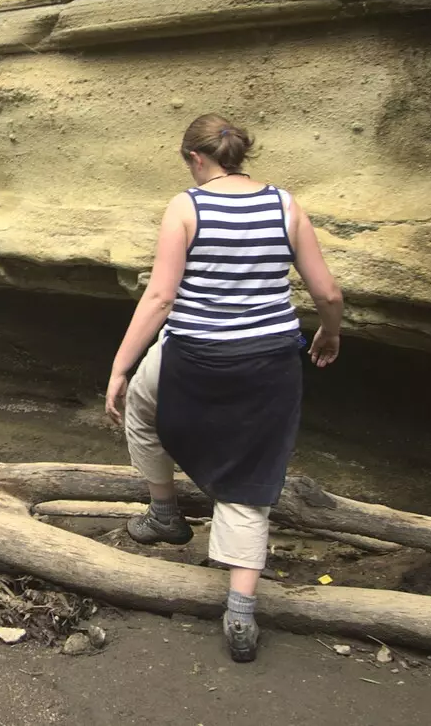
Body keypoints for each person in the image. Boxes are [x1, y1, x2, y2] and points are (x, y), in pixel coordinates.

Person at [103, 114, 343, 663]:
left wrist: (118, 366)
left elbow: (161, 298)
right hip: (269, 360)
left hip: (194, 354)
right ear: (238, 154)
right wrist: (329, 332)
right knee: (248, 473)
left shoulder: (186, 206)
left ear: (195, 158)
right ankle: (239, 609)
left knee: (139, 404)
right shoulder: (285, 205)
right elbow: (327, 291)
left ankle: (165, 512)